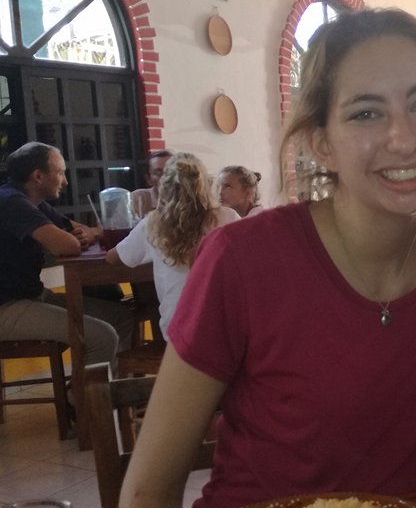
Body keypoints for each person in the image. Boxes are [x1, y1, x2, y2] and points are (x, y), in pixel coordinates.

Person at [116, 8, 416, 508]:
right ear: (320, 141)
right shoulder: (242, 258)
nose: (404, 139)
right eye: (366, 113)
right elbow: (148, 491)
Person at [0, 142, 133, 367]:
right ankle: (86, 389)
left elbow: (83, 231)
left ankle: (108, 385)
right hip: (7, 307)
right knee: (102, 337)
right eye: (61, 173)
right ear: (38, 176)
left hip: (32, 296)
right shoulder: (11, 201)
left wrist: (89, 234)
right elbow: (66, 246)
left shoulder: (35, 202)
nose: (65, 181)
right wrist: (78, 237)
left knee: (121, 317)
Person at [105, 152, 239, 340]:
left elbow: (113, 257)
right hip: (225, 325)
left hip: (177, 329)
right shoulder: (228, 217)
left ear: (165, 186)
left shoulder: (153, 223)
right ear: (205, 184)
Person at [131, 149, 173, 218]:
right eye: (159, 173)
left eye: (171, 172)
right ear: (148, 179)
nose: (166, 177)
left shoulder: (189, 201)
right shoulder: (138, 199)